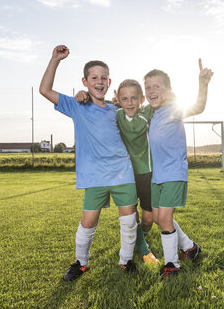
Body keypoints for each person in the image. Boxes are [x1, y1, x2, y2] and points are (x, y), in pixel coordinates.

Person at [39, 45, 139, 282]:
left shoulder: (117, 109)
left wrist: (122, 103)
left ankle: (126, 261)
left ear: (109, 81)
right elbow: (45, 89)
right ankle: (81, 263)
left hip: (123, 173)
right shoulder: (77, 106)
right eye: (94, 77)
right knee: (88, 221)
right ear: (84, 81)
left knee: (128, 220)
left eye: (104, 77)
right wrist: (55, 60)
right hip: (95, 177)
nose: (99, 81)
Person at [76, 79, 159, 266]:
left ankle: (139, 240)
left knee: (148, 220)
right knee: (132, 215)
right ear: (119, 99)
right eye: (124, 99)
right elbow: (98, 106)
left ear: (141, 99)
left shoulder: (146, 111)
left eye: (134, 98)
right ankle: (143, 248)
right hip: (124, 173)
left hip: (146, 172)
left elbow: (148, 113)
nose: (129, 102)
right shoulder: (114, 112)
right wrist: (84, 94)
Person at [144, 59, 213, 278]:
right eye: (148, 87)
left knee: (164, 219)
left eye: (157, 86)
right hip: (157, 177)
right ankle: (191, 248)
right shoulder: (151, 115)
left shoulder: (174, 110)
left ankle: (172, 265)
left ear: (168, 90)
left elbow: (198, 107)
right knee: (157, 218)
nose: (151, 91)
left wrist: (203, 84)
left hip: (174, 172)